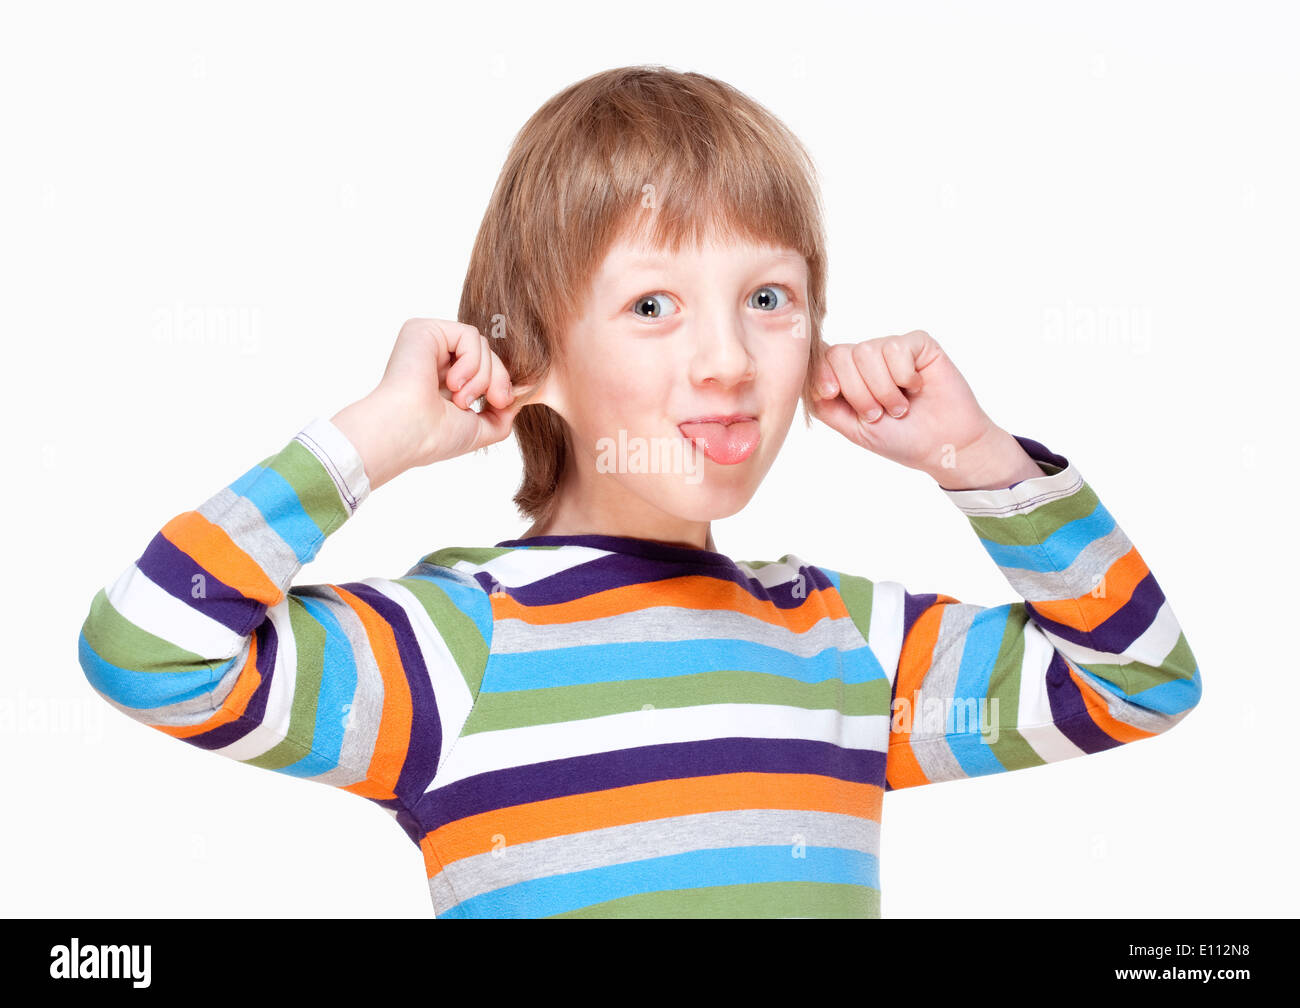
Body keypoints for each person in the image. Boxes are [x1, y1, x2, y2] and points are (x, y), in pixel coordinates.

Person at [77, 65, 1202, 918]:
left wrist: (977, 457)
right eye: (652, 305)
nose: (726, 358)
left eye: (768, 298)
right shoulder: (452, 650)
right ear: (533, 357)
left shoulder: (844, 644)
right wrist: (375, 437)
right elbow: (152, 651)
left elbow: (1139, 686)